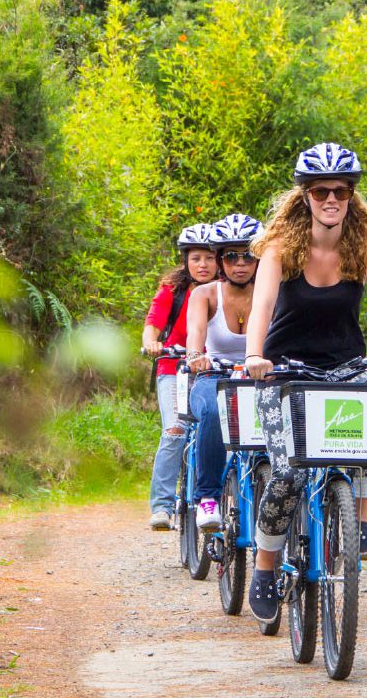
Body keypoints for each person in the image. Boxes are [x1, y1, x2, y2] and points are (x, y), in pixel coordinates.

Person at [242, 142, 367, 622]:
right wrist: (254, 356)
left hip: (344, 364)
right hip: (283, 369)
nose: (331, 199)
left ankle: (359, 524)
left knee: (365, 439)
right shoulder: (280, 249)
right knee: (288, 472)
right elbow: (260, 307)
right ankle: (264, 566)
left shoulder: (366, 247)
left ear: (351, 196)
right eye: (321, 191)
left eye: (341, 190)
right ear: (305, 196)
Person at [185, 212, 263, 530]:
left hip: (260, 375)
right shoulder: (204, 295)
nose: (240, 263)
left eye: (248, 255)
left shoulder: (272, 293)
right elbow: (195, 336)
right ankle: (207, 497)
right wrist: (195, 356)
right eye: (231, 256)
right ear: (220, 260)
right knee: (215, 412)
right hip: (214, 375)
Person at [142, 223, 218, 530]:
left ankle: (213, 497)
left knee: (218, 433)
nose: (203, 265)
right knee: (175, 430)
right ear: (185, 259)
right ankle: (162, 506)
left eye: (210, 258)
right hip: (174, 368)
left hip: (215, 370)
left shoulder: (227, 290)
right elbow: (153, 323)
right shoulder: (172, 290)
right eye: (196, 258)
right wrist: (152, 343)